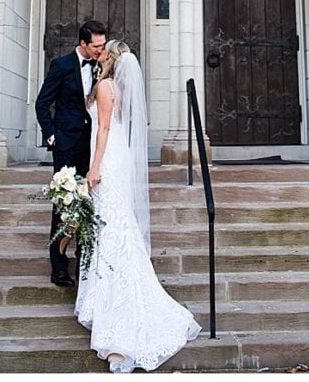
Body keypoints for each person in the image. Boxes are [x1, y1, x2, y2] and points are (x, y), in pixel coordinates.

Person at [75, 40, 201, 373]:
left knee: (111, 225)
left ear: (110, 59)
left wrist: (94, 168)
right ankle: (118, 293)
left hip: (107, 159)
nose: (98, 54)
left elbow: (102, 128)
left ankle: (116, 308)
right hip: (118, 158)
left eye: (103, 52)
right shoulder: (117, 87)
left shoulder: (104, 85)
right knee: (116, 225)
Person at [35, 19, 107, 286]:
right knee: (64, 204)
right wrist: (52, 136)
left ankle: (86, 261)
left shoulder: (102, 65)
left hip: (91, 147)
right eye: (96, 46)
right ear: (83, 44)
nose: (101, 50)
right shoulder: (62, 65)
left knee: (89, 203)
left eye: (102, 45)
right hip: (66, 145)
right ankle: (59, 266)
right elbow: (43, 103)